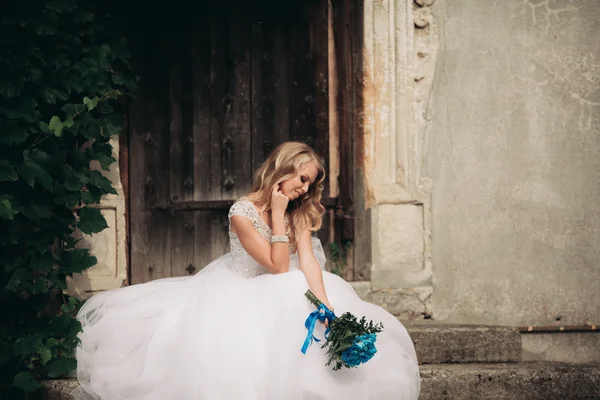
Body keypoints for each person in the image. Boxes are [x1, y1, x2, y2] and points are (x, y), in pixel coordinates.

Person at [74, 141, 421, 399]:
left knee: (305, 289)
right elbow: (277, 266)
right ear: (281, 170)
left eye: (309, 185)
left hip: (286, 285)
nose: (304, 189)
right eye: (301, 179)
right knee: (287, 288)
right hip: (242, 288)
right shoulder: (243, 211)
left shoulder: (298, 211)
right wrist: (276, 215)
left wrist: (326, 307)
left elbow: (308, 261)